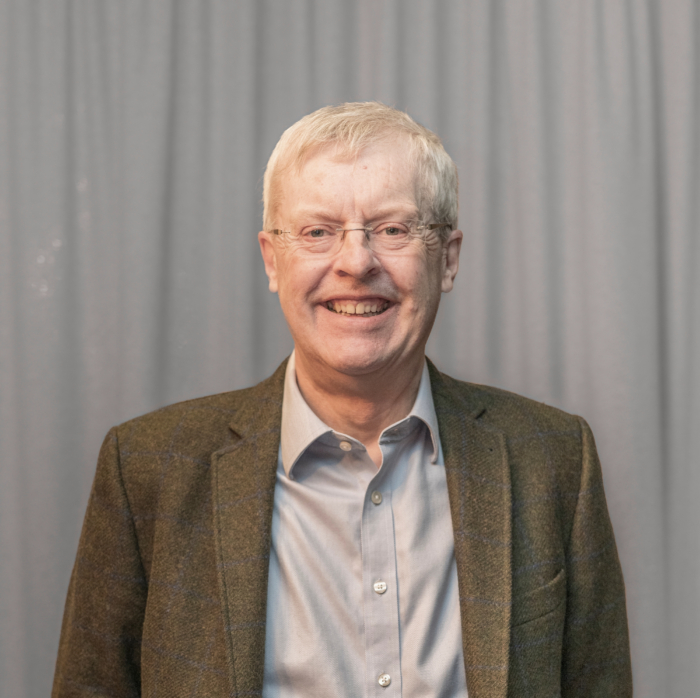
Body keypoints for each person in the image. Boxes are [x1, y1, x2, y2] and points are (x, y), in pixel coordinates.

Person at [52, 102, 632, 698]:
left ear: (448, 259)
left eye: (393, 229)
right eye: (317, 232)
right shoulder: (147, 468)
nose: (356, 262)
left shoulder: (554, 460)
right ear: (273, 260)